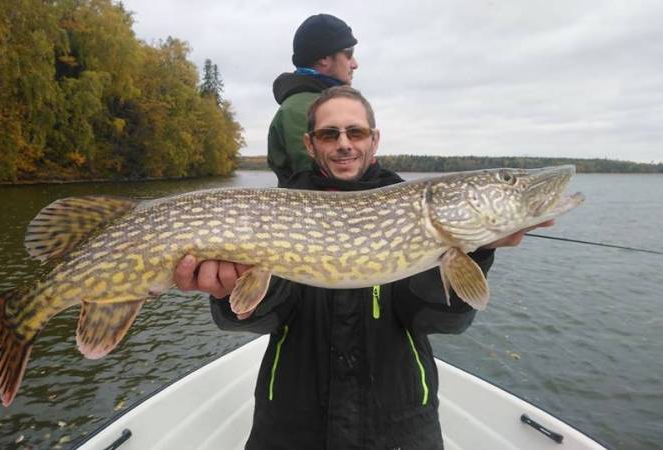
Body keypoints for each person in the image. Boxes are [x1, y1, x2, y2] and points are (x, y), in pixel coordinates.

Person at [174, 86, 554, 449]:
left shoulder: (413, 213)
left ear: (374, 140)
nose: (344, 143)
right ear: (310, 144)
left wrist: (477, 252)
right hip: (290, 429)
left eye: (355, 132)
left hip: (399, 428)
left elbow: (438, 321)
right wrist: (228, 294)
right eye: (328, 134)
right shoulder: (276, 211)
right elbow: (258, 317)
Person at [268, 13, 359, 187]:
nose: (354, 64)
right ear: (324, 58)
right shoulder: (304, 109)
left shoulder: (322, 103)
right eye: (349, 54)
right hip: (317, 212)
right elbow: (324, 185)